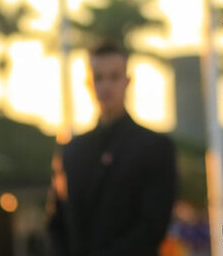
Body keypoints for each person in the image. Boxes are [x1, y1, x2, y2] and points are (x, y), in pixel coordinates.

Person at [47, 40, 177, 256]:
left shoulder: (156, 148)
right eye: (98, 77)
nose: (106, 86)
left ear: (127, 81)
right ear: (89, 83)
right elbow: (56, 224)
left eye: (114, 76)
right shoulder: (71, 152)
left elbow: (153, 227)